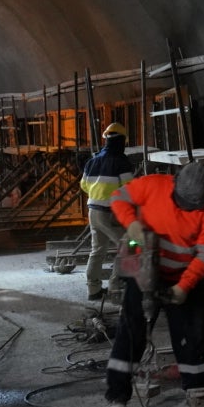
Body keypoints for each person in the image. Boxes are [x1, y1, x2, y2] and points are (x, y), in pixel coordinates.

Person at [102, 161, 204, 407]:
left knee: (191, 336)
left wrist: (183, 288)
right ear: (175, 181)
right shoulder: (153, 184)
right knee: (131, 331)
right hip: (143, 267)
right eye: (181, 201)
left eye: (192, 206)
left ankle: (196, 393)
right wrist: (131, 223)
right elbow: (118, 197)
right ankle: (117, 396)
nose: (185, 208)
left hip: (181, 274)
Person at [79, 123, 135, 301]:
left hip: (93, 212)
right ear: (122, 141)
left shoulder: (92, 160)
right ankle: (115, 285)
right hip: (110, 214)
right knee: (131, 245)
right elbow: (129, 191)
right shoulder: (122, 162)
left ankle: (93, 289)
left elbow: (84, 185)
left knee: (98, 250)